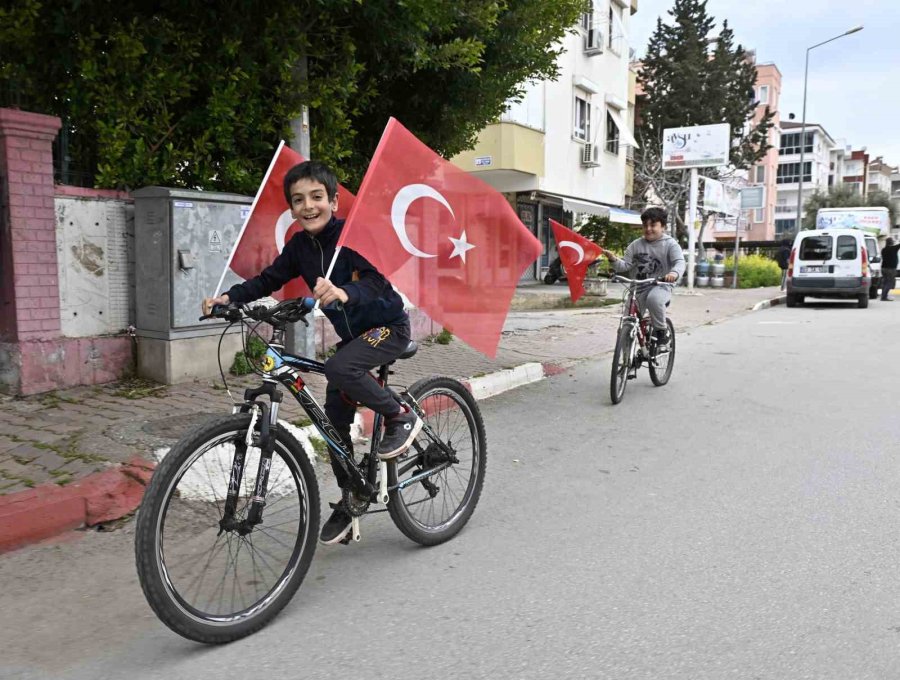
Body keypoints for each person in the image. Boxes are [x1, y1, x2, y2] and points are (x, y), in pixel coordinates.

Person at [202, 160, 422, 545]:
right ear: (292, 208)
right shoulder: (299, 247)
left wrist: (343, 293)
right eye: (299, 200)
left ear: (334, 201)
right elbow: (270, 278)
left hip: (388, 328)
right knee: (332, 423)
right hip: (354, 341)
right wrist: (229, 297)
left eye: (317, 197)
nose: (308, 206)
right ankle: (352, 493)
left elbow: (374, 280)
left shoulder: (352, 237)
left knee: (339, 367)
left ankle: (399, 414)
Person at [605, 206, 685, 347]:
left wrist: (674, 273)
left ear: (663, 227)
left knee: (653, 300)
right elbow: (625, 266)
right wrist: (613, 260)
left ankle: (661, 331)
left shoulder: (670, 244)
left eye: (653, 225)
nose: (648, 229)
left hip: (661, 285)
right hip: (638, 287)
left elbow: (679, 262)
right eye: (645, 225)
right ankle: (625, 361)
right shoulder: (635, 246)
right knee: (627, 322)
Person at [880, 237, 900, 301]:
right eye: (893, 241)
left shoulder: (883, 249)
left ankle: (883, 296)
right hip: (891, 269)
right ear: (891, 242)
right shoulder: (893, 248)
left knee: (885, 282)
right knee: (889, 283)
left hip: (883, 268)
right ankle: (884, 297)